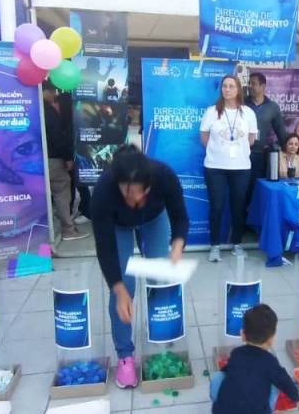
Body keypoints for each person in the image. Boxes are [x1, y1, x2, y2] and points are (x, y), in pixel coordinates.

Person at [92, 145, 189, 389]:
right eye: (126, 192)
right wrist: (118, 288)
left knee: (160, 279)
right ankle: (125, 355)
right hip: (118, 226)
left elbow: (180, 216)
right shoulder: (104, 190)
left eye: (138, 192)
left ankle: (162, 335)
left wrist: (177, 245)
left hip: (154, 219)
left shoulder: (163, 175)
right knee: (124, 288)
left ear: (148, 186)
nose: (133, 199)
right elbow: (105, 247)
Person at [201, 75, 258, 262]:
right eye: (224, 86)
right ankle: (214, 245)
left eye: (231, 86)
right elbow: (204, 136)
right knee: (216, 206)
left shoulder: (248, 113)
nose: (227, 89)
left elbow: (251, 139)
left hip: (241, 167)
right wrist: (219, 151)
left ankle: (237, 243)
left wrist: (236, 150)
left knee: (238, 207)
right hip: (215, 167)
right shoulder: (212, 112)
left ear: (238, 89)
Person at [210, 304, 299, 414]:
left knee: (219, 376)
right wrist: (297, 398)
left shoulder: (236, 353)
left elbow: (228, 371)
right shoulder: (270, 361)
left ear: (242, 335)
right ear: (271, 339)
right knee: (274, 383)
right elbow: (285, 382)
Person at [44, 85, 88, 245]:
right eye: (52, 92)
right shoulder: (49, 112)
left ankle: (43, 233)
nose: (54, 96)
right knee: (62, 191)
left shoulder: (30, 108)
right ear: (46, 91)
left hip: (33, 160)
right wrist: (68, 157)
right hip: (53, 159)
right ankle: (68, 230)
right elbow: (58, 138)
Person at [246, 72, 287, 197]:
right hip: (242, 154)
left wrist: (289, 150)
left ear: (263, 86)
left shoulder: (272, 107)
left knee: (257, 191)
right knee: (241, 191)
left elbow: (280, 130)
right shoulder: (241, 103)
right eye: (249, 83)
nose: (250, 86)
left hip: (260, 156)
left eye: (253, 84)